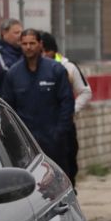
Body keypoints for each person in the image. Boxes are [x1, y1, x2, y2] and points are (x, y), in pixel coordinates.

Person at [0, 29, 74, 168]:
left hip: (54, 141)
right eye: (24, 43)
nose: (28, 47)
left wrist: (60, 132)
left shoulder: (55, 70)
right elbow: (7, 108)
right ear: (20, 45)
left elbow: (67, 102)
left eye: (32, 43)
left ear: (40, 44)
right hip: (25, 142)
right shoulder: (13, 74)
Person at [42, 32, 91, 185]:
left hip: (63, 124)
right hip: (39, 126)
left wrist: (71, 110)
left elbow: (85, 92)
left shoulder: (68, 67)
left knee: (68, 159)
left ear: (50, 51)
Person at [0, 18, 23, 92]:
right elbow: (6, 71)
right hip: (4, 98)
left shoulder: (23, 51)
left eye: (21, 33)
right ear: (4, 33)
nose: (20, 36)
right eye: (16, 33)